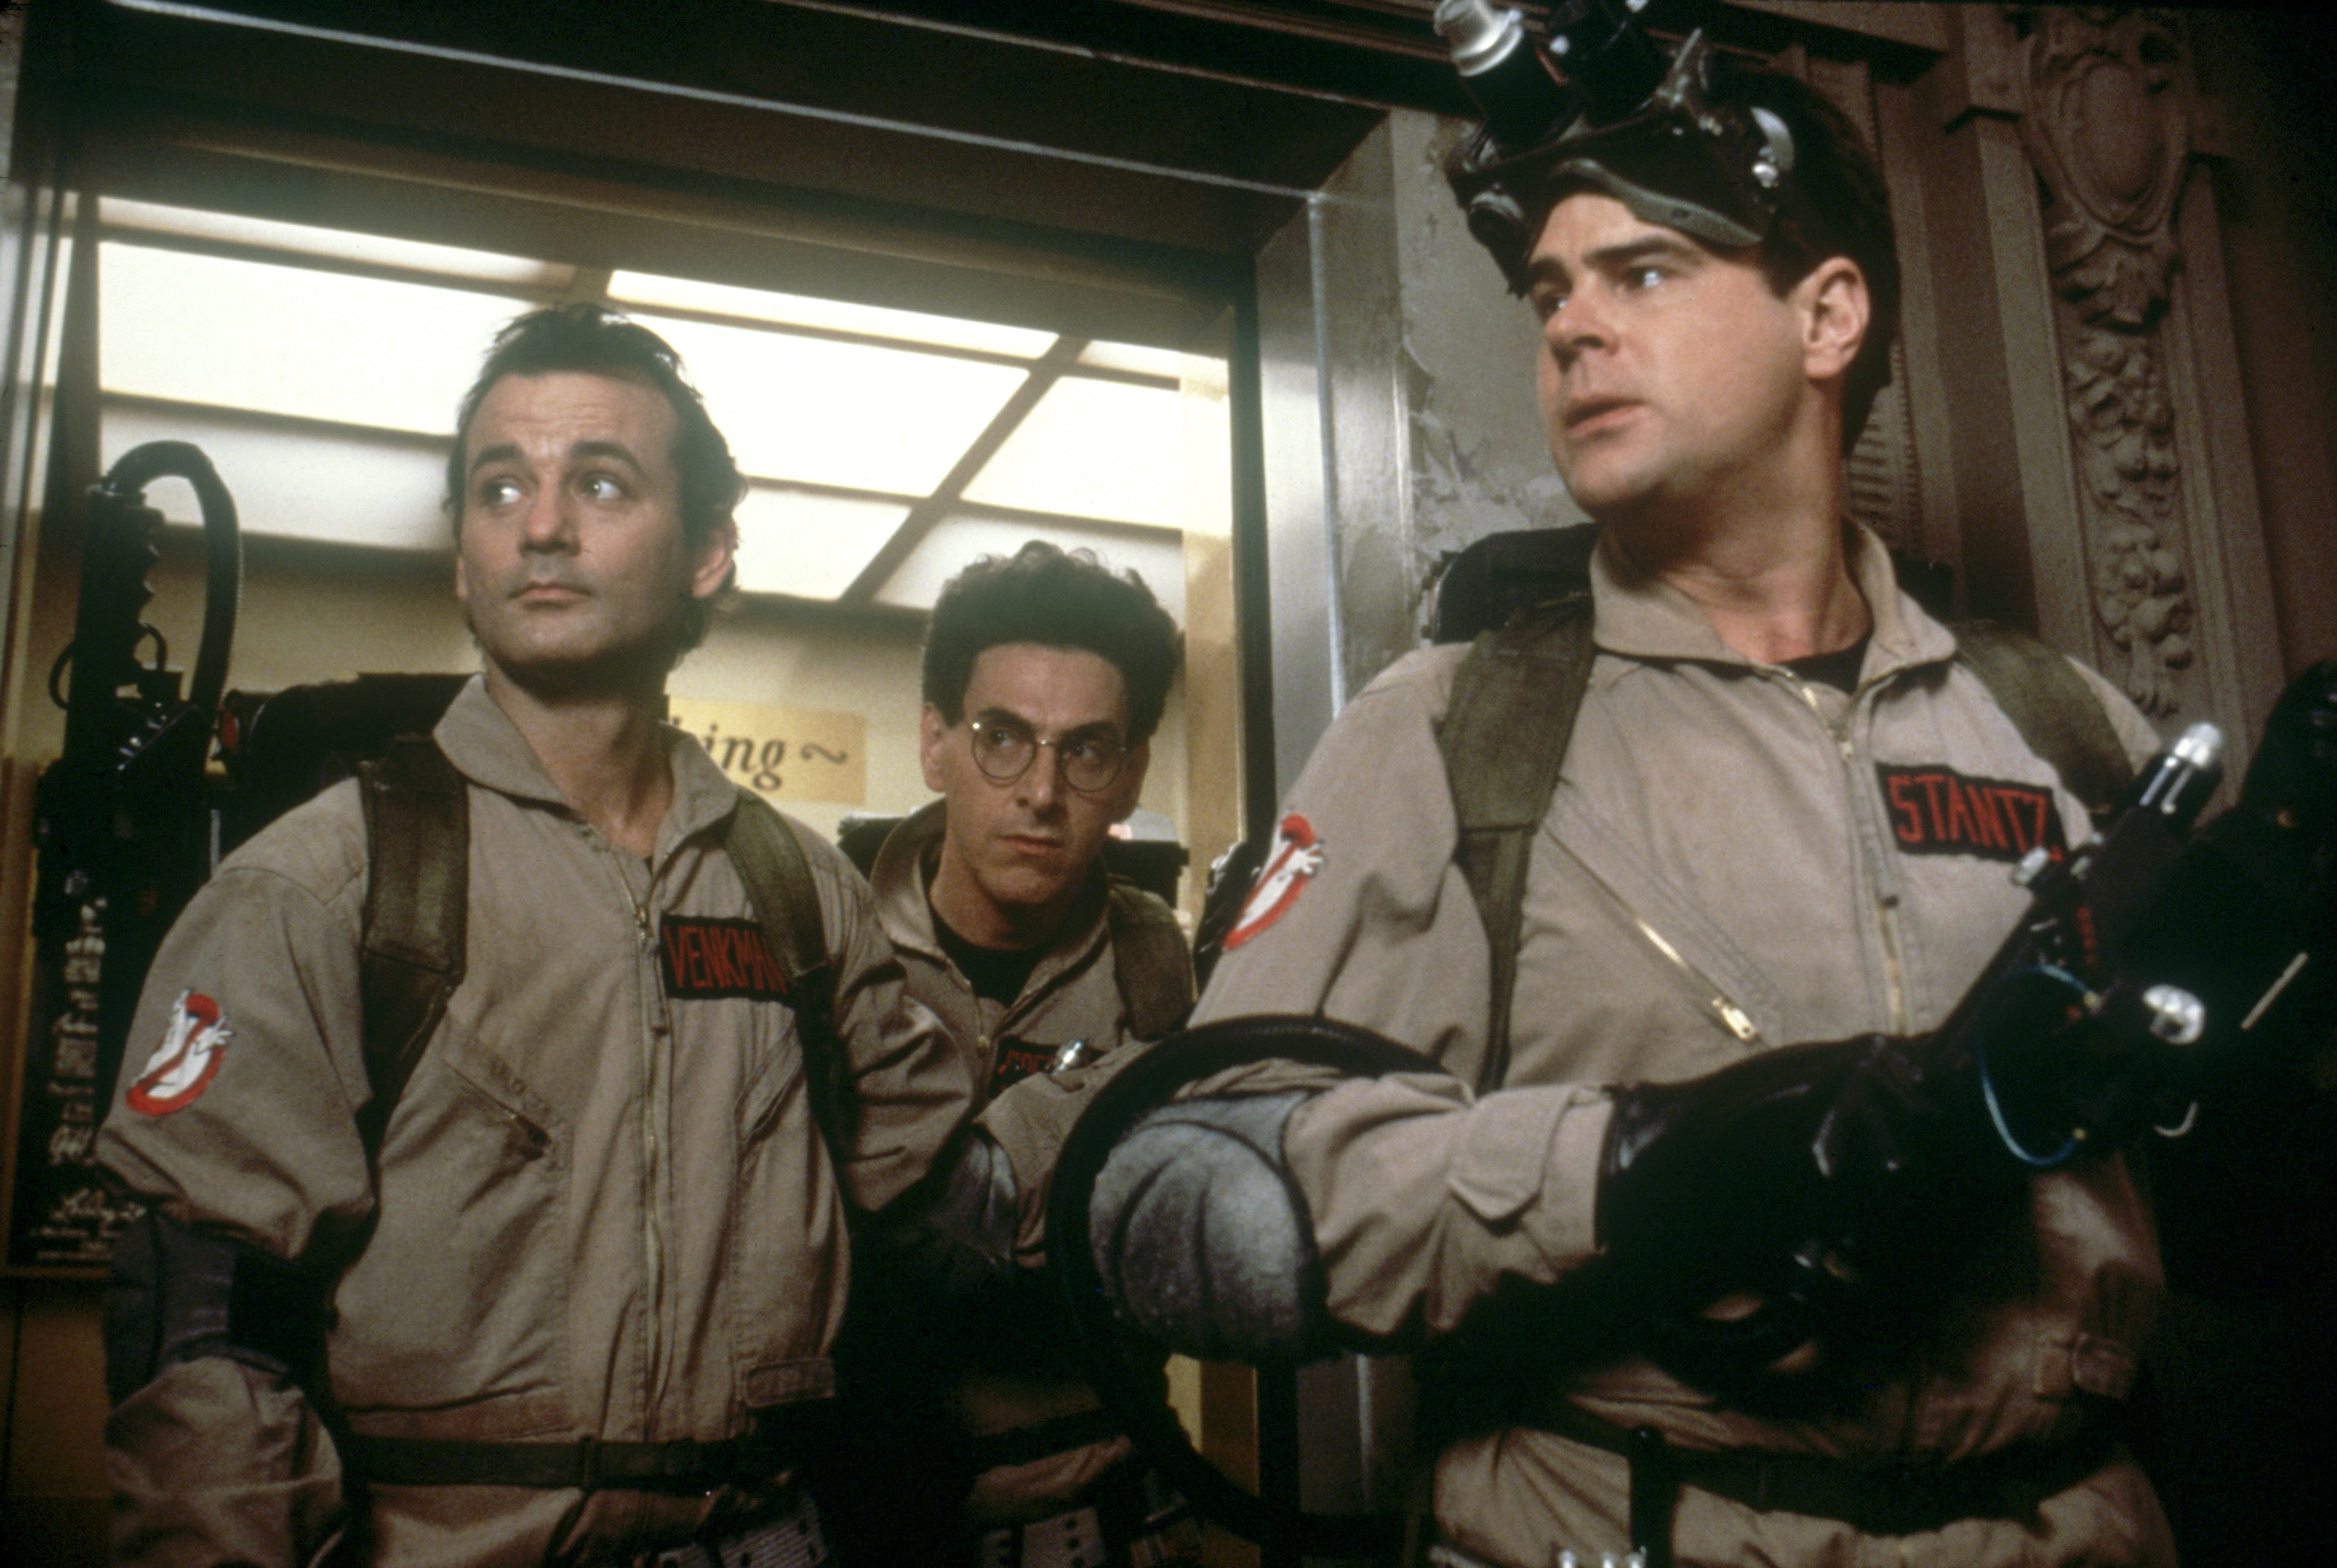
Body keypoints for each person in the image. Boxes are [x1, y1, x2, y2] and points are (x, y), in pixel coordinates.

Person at [1080, 30, 2181, 1568]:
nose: (1572, 330)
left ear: (1826, 314)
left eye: (1641, 273)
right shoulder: (1455, 733)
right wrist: (1629, 1165)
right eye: (1549, 292)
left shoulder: (2063, 730)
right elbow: (1187, 1203)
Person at [96, 304, 975, 1566]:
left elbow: (947, 1204)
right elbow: (204, 1328)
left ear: (707, 554)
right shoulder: (326, 886)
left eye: (601, 483)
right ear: (462, 555)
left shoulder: (796, 893)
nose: (541, 525)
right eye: (499, 487)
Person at [839, 542, 1198, 1566]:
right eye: (1003, 738)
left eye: (1086, 751)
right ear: (935, 743)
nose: (1041, 790)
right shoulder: (827, 950)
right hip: (879, 1510)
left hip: (1111, 1508)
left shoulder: (1155, 973)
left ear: (1128, 774)